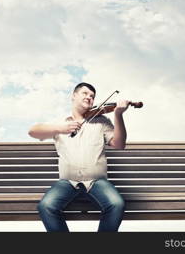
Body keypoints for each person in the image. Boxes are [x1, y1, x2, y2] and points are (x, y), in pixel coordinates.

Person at [28, 82, 131, 232]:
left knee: (117, 204)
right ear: (74, 96)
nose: (89, 97)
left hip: (97, 182)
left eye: (92, 96)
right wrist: (59, 128)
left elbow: (119, 144)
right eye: (85, 93)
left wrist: (118, 115)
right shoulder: (60, 122)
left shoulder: (101, 121)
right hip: (67, 182)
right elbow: (33, 131)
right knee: (46, 206)